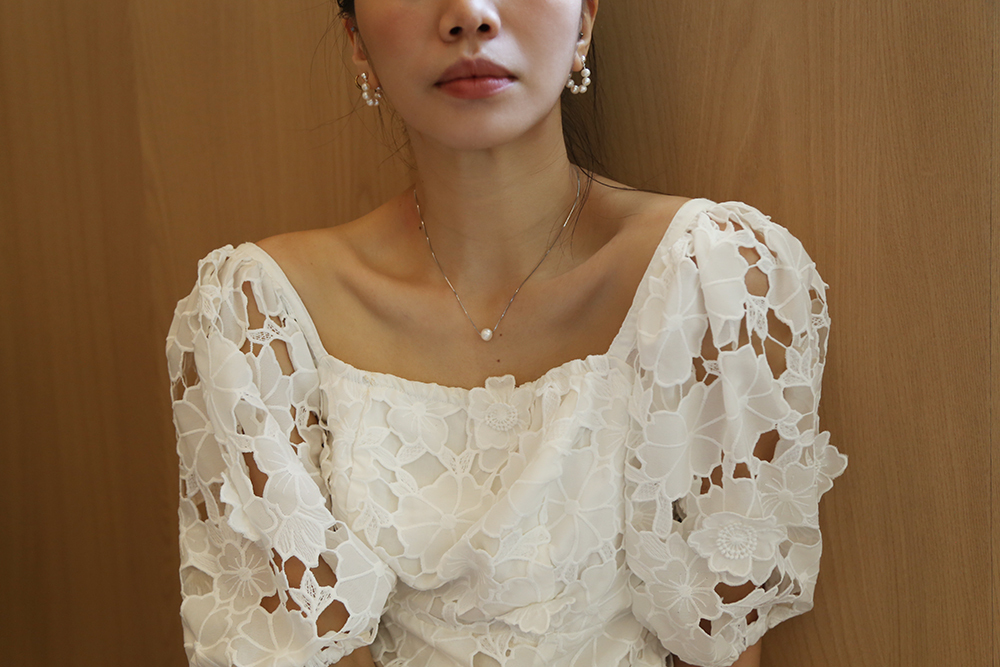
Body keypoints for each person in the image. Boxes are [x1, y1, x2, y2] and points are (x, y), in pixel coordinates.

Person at [166, 1, 847, 666]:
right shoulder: (259, 316)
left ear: (584, 20)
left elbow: (720, 641)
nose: (470, 14)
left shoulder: (711, 275)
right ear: (357, 43)